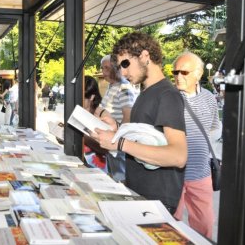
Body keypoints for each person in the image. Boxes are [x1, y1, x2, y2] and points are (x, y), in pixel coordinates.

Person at [92, 32, 187, 214]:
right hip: (140, 195)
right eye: (120, 67)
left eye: (126, 64)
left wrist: (119, 142)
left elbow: (178, 156)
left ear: (145, 56)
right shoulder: (146, 93)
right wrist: (116, 128)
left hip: (157, 202)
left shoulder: (167, 95)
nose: (123, 72)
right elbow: (146, 137)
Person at [172, 52, 221, 238]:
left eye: (184, 72)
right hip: (174, 173)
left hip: (200, 173)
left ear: (198, 74)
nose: (178, 76)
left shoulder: (209, 98)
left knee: (205, 223)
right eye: (175, 72)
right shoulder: (169, 97)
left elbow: (215, 126)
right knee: (170, 225)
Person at [100, 54, 135, 180]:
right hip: (111, 141)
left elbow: (128, 116)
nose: (103, 72)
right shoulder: (112, 86)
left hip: (117, 143)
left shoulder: (124, 87)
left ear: (116, 68)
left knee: (119, 178)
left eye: (107, 68)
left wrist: (117, 139)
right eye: (102, 68)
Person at [82, 76, 118, 171]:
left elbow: (106, 148)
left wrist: (81, 136)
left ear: (92, 97)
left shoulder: (102, 115)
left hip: (96, 167)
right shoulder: (78, 111)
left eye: (82, 98)